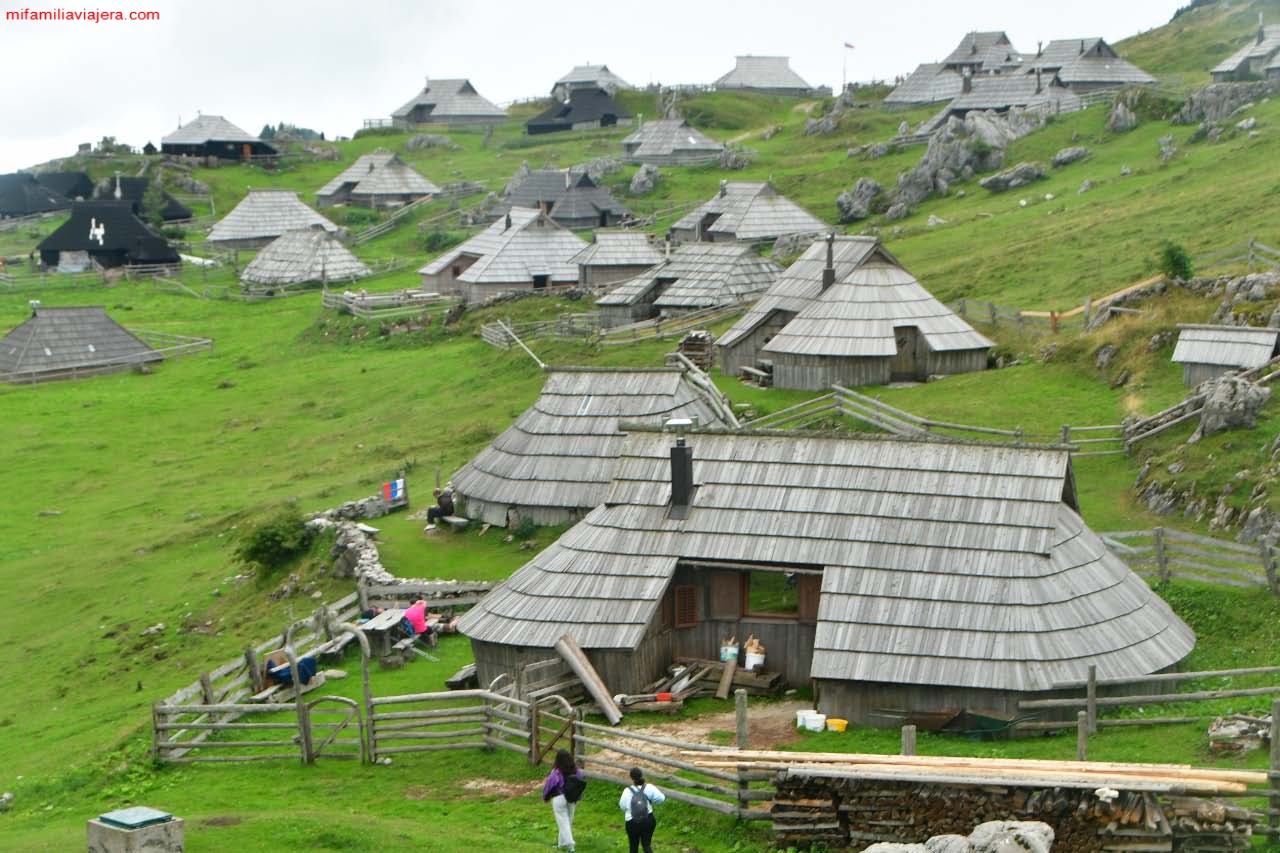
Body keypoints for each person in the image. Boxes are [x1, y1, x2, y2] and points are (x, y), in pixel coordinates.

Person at [541, 748, 584, 852]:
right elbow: (580, 784)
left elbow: (550, 785)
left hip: (559, 798)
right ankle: (560, 845)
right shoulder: (577, 771)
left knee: (563, 822)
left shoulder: (556, 772)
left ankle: (570, 845)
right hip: (572, 799)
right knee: (567, 822)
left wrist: (545, 797)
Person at [619, 767, 664, 853]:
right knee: (646, 845)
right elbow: (661, 799)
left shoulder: (627, 791)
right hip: (648, 819)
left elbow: (622, 806)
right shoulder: (649, 787)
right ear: (642, 775)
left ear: (631, 778)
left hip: (632, 822)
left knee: (633, 847)